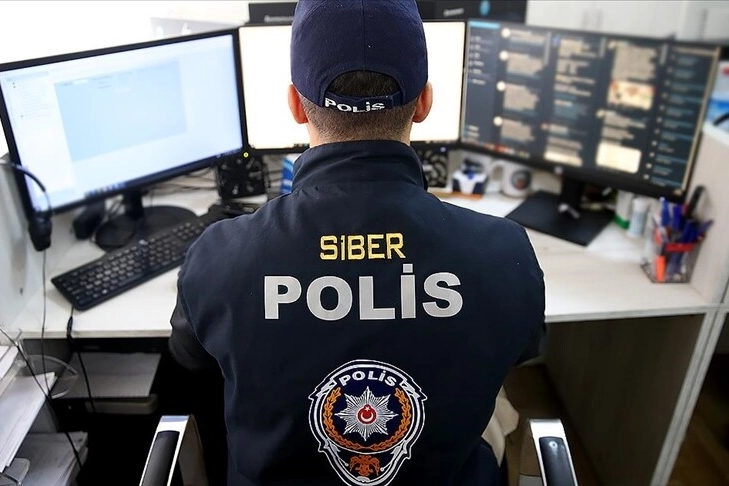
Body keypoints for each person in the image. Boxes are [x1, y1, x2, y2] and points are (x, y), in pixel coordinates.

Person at [168, 1, 545, 484]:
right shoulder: (505, 254)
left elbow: (190, 356)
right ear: (425, 103)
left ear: (295, 105)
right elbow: (523, 348)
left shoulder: (219, 257)